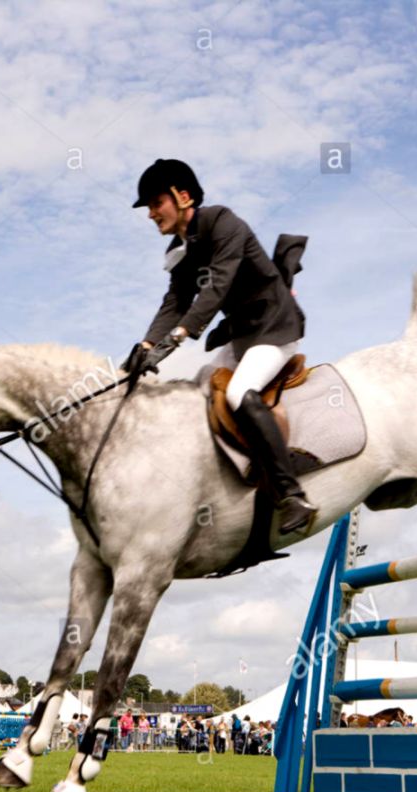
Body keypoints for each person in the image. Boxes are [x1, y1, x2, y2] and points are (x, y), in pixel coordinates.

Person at [123, 158, 317, 535]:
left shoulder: (223, 223)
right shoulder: (181, 250)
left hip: (274, 327)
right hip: (243, 336)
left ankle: (291, 494)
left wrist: (176, 339)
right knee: (200, 388)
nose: (150, 214)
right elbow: (175, 302)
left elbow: (217, 288)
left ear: (181, 197)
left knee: (239, 392)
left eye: (154, 203)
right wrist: (146, 345)